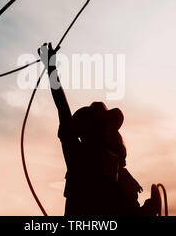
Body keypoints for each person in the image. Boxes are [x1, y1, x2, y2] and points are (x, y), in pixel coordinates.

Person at [38, 43, 161, 216]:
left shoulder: (102, 161)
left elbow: (63, 110)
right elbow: (62, 108)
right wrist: (51, 68)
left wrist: (51, 67)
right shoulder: (81, 154)